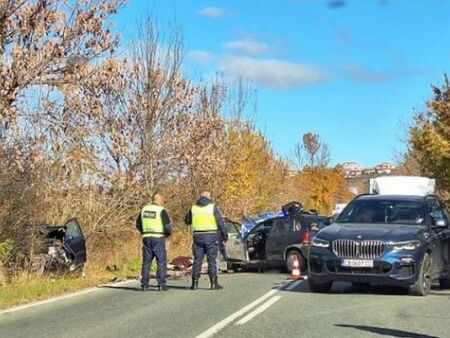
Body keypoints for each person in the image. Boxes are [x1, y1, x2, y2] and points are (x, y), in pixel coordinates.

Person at [185, 191, 228, 290]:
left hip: (198, 236)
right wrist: (224, 236)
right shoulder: (212, 207)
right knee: (211, 260)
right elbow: (220, 222)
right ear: (209, 197)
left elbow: (187, 220)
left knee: (197, 260)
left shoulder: (194, 208)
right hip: (211, 236)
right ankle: (213, 283)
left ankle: (194, 283)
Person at [136, 193, 172, 291]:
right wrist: (167, 234)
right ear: (160, 200)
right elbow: (167, 226)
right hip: (158, 237)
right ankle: (161, 284)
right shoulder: (161, 210)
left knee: (146, 262)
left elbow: (138, 224)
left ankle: (144, 284)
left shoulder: (144, 209)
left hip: (146, 237)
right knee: (161, 261)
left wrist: (144, 232)